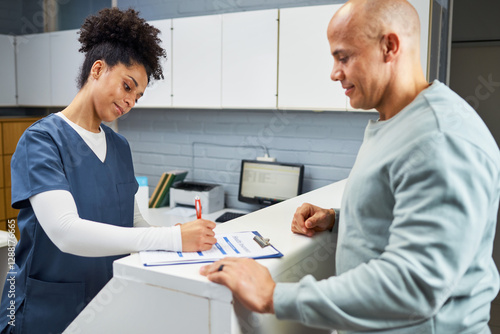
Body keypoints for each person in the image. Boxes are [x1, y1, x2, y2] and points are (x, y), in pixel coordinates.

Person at [200, 0, 500, 332]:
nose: (334, 73)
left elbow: (415, 286)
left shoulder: (439, 139)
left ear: (389, 46)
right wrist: (337, 220)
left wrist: (275, 296)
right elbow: (402, 213)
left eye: (344, 57)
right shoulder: (394, 122)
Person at [0, 8, 217, 334]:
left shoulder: (119, 147)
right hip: (44, 308)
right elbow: (65, 231)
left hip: (103, 299)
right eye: (127, 86)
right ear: (98, 70)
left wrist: (182, 242)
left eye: (138, 96)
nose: (130, 101)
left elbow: (133, 221)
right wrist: (172, 237)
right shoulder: (42, 140)